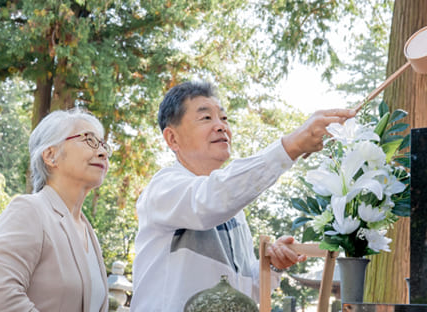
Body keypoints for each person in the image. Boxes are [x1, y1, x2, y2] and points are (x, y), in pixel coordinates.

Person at [131, 81, 356, 311]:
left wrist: (275, 266)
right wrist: (291, 146)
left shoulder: (233, 210)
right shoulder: (164, 188)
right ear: (172, 139)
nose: (221, 126)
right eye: (206, 118)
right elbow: (210, 201)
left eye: (224, 118)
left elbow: (247, 292)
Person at [0, 109, 111, 312]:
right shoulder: (29, 211)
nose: (103, 152)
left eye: (103, 144)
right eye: (89, 140)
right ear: (51, 156)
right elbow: (0, 297)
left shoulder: (88, 231)